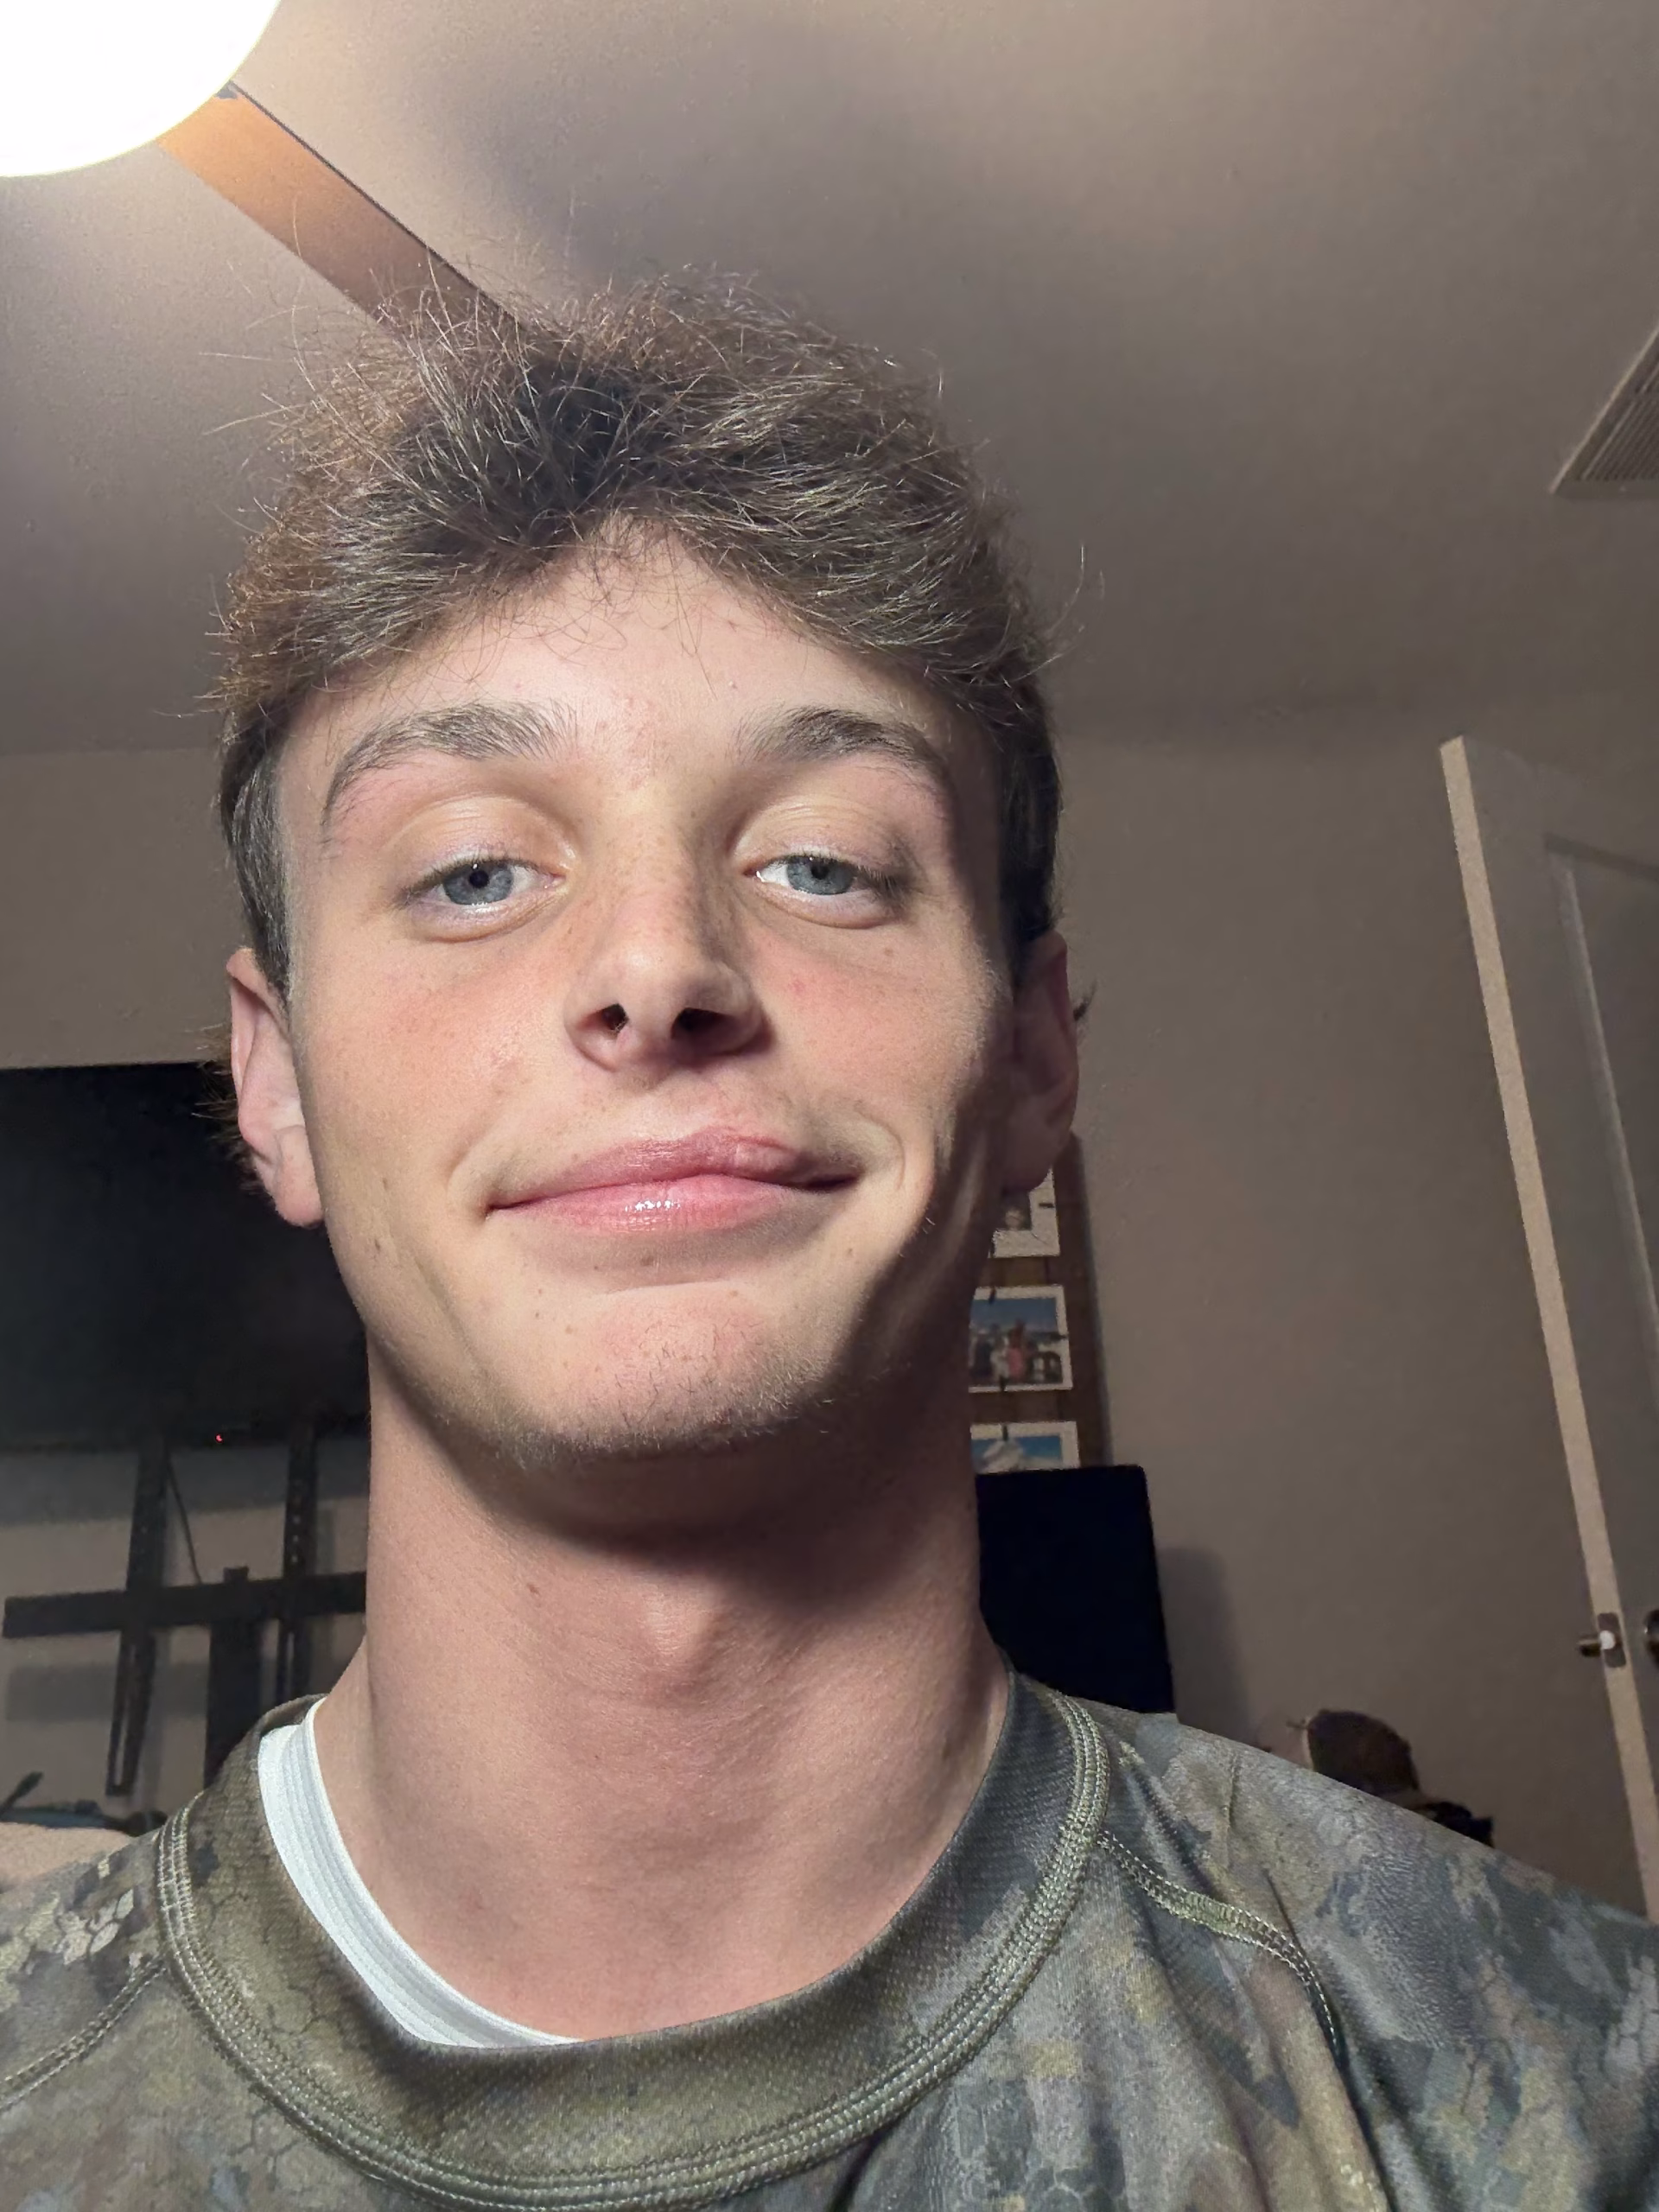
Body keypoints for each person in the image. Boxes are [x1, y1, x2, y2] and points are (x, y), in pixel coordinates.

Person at [1, 280, 1654, 2209]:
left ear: (1033, 1060)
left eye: (824, 863)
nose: (659, 968)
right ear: (275, 1083)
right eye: (471, 871)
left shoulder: (1563, 2096)